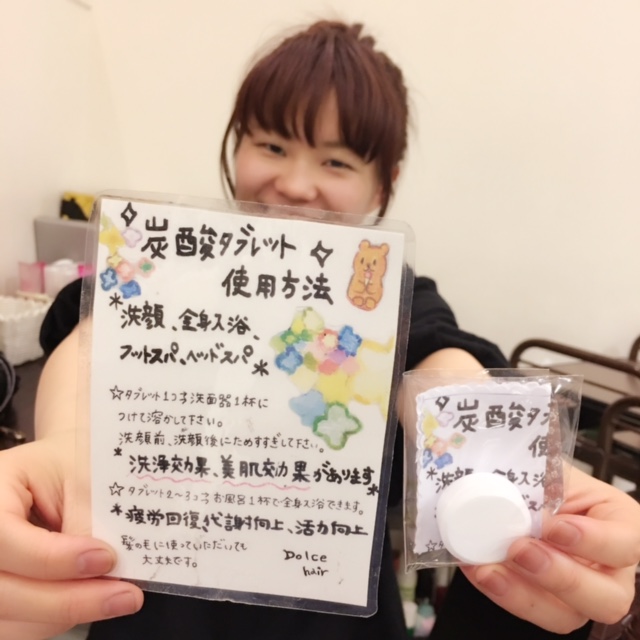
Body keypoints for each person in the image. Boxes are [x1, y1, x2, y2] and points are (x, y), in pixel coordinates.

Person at [1, 20, 638, 640]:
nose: (295, 184)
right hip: (159, 610)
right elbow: (93, 333)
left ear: (382, 183)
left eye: (335, 161)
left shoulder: (392, 294)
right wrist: (69, 451)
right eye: (273, 146)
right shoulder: (173, 262)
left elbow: (440, 358)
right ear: (237, 145)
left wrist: (502, 470)